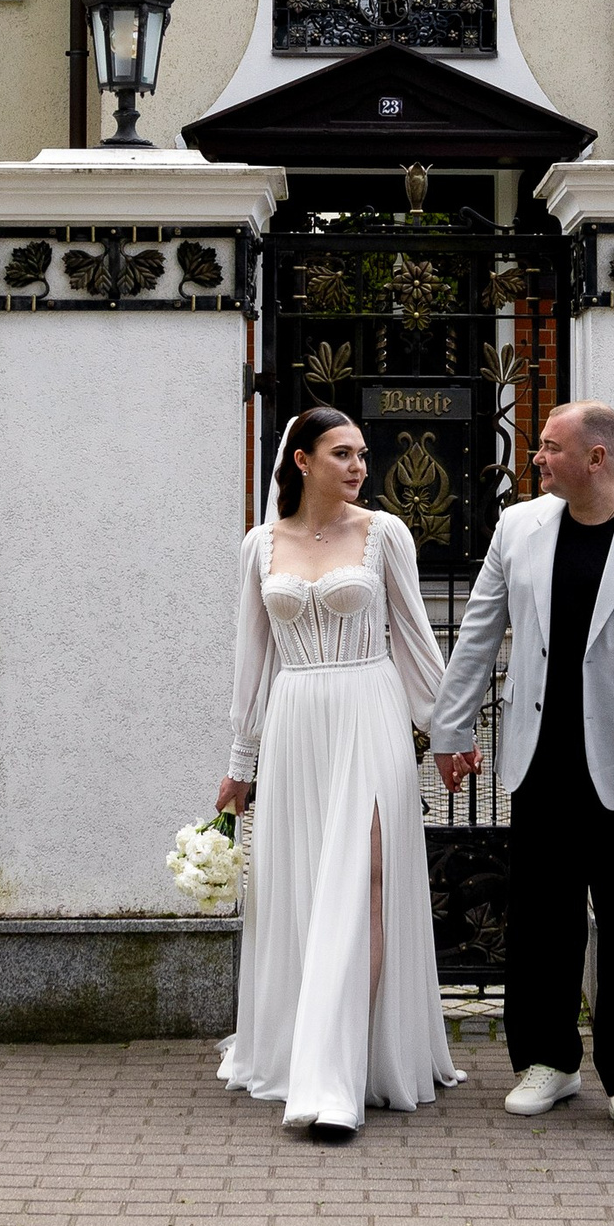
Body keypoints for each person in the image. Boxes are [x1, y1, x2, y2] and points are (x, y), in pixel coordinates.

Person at [430, 401, 614, 1143]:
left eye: (551, 447)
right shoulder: (518, 529)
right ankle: (547, 1062)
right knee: (541, 926)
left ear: (598, 458)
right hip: (540, 763)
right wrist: (451, 728)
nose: (538, 458)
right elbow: (479, 633)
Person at [216, 407, 459, 1141]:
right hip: (296, 719)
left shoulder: (385, 534)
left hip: (370, 710)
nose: (358, 467)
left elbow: (416, 639)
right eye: (341, 453)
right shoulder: (260, 545)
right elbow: (252, 662)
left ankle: (341, 1075)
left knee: (369, 879)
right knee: (304, 884)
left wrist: (447, 731)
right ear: (301, 461)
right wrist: (239, 763)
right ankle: (302, 1053)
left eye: (362, 454)